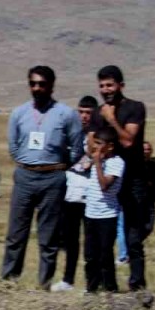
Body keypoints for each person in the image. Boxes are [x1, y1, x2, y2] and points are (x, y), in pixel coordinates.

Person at [0, 65, 82, 289]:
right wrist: (26, 161)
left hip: (52, 178)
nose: (37, 88)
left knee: (48, 236)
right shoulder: (19, 113)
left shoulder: (66, 114)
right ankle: (8, 281)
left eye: (42, 84)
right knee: (16, 233)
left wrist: (61, 166)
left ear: (52, 86)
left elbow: (76, 146)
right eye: (33, 83)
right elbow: (13, 145)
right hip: (25, 176)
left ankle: (44, 283)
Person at [97, 65, 151, 291]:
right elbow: (93, 142)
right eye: (101, 86)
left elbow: (129, 141)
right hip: (108, 179)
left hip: (133, 180)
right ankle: (108, 285)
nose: (106, 89)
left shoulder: (135, 108)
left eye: (110, 85)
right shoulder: (100, 111)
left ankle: (137, 285)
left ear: (121, 86)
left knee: (133, 236)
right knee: (105, 233)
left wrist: (111, 120)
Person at [53, 95, 99, 292]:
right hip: (71, 192)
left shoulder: (100, 135)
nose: (84, 116)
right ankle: (67, 279)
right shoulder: (71, 133)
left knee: (91, 240)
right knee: (70, 239)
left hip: (92, 192)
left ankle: (92, 284)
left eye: (88, 113)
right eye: (81, 112)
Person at [83, 127, 126, 294]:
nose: (96, 147)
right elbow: (88, 145)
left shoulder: (117, 163)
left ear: (110, 146)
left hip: (107, 215)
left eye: (101, 144)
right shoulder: (96, 158)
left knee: (105, 255)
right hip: (90, 213)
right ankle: (91, 288)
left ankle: (110, 288)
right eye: (96, 143)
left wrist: (98, 163)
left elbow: (105, 185)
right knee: (90, 255)